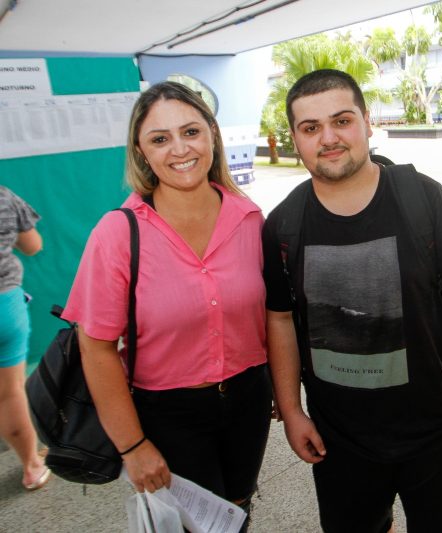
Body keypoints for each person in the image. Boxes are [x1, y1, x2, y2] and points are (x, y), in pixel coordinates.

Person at [262, 69, 442, 533]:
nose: (329, 137)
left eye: (342, 120)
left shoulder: (422, 198)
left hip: (437, 429)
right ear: (295, 139)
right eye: (311, 128)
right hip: (340, 440)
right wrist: (292, 411)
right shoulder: (283, 225)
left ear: (367, 123)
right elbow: (279, 320)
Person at [62, 82, 271, 530]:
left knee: (235, 513)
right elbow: (95, 348)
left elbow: (271, 315)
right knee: (192, 525)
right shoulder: (118, 233)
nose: (180, 148)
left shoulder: (249, 217)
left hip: (249, 400)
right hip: (167, 413)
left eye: (191, 131)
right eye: (160, 139)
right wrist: (133, 446)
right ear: (141, 153)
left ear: (212, 135)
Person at [0, 186, 50, 491]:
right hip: (5, 305)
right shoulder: (4, 196)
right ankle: (32, 465)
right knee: (9, 394)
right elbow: (32, 245)